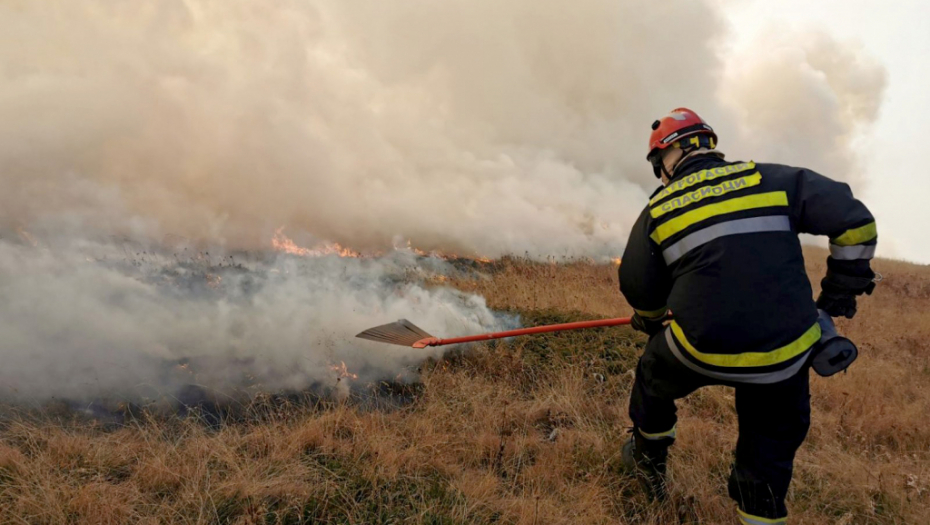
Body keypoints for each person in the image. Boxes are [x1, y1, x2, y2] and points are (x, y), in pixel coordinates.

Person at [618, 108, 877, 524]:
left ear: (671, 155)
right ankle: (760, 511)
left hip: (698, 348)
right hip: (785, 353)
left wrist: (650, 321)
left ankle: (648, 461)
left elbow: (638, 286)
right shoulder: (773, 179)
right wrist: (838, 296)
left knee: (653, 374)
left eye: (658, 165)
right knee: (770, 444)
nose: (659, 174)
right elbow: (856, 223)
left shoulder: (659, 209)